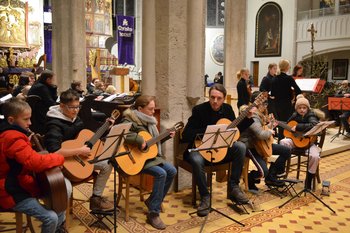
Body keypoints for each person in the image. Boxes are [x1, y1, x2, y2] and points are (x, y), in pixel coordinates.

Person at [182, 84, 253, 217]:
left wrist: (247, 118)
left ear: (224, 99)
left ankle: (234, 187)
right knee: (196, 160)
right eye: (212, 97)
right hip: (201, 150)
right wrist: (210, 131)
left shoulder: (227, 109)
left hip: (221, 150)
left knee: (240, 147)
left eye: (219, 98)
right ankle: (205, 196)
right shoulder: (199, 110)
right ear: (208, 97)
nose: (215, 101)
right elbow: (186, 134)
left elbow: (235, 131)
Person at [0, 98, 67, 233]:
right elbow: (33, 162)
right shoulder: (12, 138)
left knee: (59, 199)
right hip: (10, 190)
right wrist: (58, 158)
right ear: (11, 120)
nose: (30, 123)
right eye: (25, 119)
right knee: (51, 217)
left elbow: (23, 158)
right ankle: (57, 227)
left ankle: (58, 229)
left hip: (19, 183)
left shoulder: (12, 134)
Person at [44, 89, 114, 212]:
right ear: (61, 106)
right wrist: (79, 151)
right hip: (61, 165)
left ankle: (96, 199)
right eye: (72, 107)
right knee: (66, 189)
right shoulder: (54, 125)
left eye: (78, 107)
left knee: (107, 163)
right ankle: (60, 221)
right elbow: (55, 152)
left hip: (77, 160)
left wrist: (106, 128)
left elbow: (82, 138)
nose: (76, 110)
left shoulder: (75, 118)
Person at [121, 95, 177, 230]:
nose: (153, 112)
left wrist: (165, 137)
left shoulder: (149, 122)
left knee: (172, 171)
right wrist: (139, 141)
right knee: (161, 173)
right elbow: (122, 134)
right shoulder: (129, 119)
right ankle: (153, 213)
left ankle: (152, 201)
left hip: (148, 157)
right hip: (133, 159)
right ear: (140, 109)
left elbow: (151, 144)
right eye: (150, 109)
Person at [238, 91, 291, 190]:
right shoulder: (253, 115)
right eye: (264, 103)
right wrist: (270, 132)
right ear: (256, 102)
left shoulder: (260, 115)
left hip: (261, 144)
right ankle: (250, 178)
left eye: (266, 103)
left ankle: (271, 175)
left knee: (286, 151)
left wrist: (271, 124)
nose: (265, 106)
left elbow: (263, 129)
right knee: (263, 172)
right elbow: (260, 134)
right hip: (250, 145)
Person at [279, 94, 323, 190]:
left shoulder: (311, 115)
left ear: (307, 108)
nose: (302, 110)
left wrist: (298, 127)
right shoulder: (294, 115)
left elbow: (314, 124)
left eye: (304, 108)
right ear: (296, 109)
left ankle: (309, 180)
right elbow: (288, 126)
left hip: (309, 143)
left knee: (315, 156)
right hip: (296, 143)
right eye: (299, 108)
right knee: (283, 142)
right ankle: (281, 171)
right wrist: (277, 123)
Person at [270, 59, 302, 141]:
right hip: (287, 104)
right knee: (286, 123)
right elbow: (298, 90)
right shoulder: (289, 78)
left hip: (276, 104)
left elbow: (272, 94)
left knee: (280, 123)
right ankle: (285, 141)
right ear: (287, 67)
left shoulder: (274, 79)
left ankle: (280, 141)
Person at [27, 69, 58, 134]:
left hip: (36, 114)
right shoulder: (41, 87)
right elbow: (51, 103)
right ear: (48, 79)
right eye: (53, 79)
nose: (53, 81)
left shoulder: (38, 84)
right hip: (40, 116)